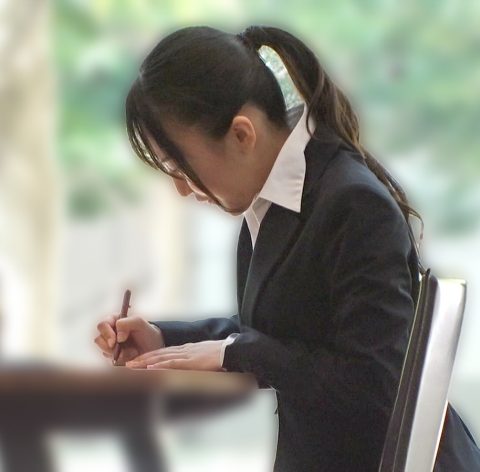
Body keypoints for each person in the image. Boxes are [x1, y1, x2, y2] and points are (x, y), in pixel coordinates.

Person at [95, 25, 480, 471]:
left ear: (242, 134)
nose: (181, 190)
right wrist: (162, 338)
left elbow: (375, 383)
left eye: (180, 167)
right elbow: (283, 329)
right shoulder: (272, 200)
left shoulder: (354, 205)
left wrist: (236, 353)